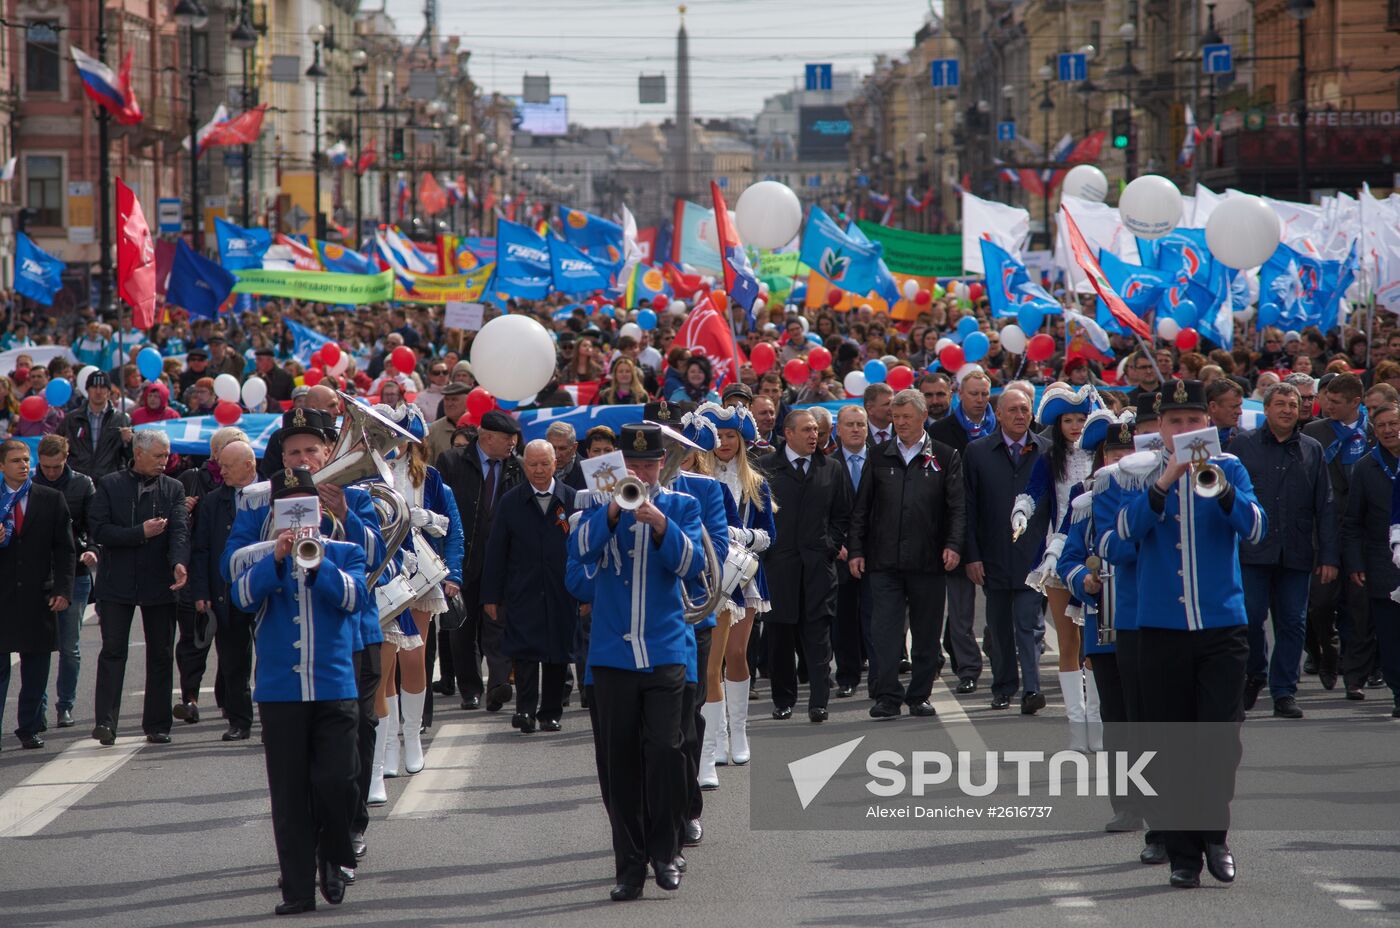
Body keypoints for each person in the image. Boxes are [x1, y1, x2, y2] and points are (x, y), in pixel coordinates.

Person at [1115, 379, 1265, 889]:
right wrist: (1163, 484)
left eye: (1193, 421)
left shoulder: (1231, 468)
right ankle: (1182, 852)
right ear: (1159, 428)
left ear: (1209, 424)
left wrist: (1222, 492)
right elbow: (1119, 541)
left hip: (1221, 625)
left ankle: (1214, 837)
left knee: (1219, 741)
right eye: (1174, 422)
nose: (1184, 430)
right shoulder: (1136, 475)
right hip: (1160, 628)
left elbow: (1257, 528)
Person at [222, 406, 386, 866]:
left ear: (328, 450)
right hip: (288, 641)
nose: (302, 458)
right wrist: (274, 542)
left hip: (353, 632)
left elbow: (378, 557)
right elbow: (230, 565)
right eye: (293, 451)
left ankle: (348, 830)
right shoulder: (259, 499)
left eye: (311, 450)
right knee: (296, 761)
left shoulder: (356, 489)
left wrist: (345, 513)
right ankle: (307, 849)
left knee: (351, 746)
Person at [565, 422, 707, 901]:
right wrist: (611, 514)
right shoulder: (593, 509)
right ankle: (629, 867)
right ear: (619, 466)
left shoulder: (680, 506)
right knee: (618, 764)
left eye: (648, 465)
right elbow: (577, 565)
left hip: (665, 650)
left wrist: (661, 525)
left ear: (660, 465)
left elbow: (694, 567)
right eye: (633, 466)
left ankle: (665, 853)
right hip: (610, 656)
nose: (641, 473)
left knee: (668, 754)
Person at [230, 468, 368, 915]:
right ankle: (297, 889)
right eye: (288, 507)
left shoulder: (344, 551)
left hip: (333, 685)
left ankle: (333, 854)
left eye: (305, 506)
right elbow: (242, 599)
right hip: (280, 691)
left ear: (319, 509)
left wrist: (316, 562)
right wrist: (276, 559)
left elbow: (353, 599)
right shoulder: (259, 557)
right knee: (288, 794)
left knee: (336, 780)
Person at [848, 389, 963, 719]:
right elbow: (862, 509)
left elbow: (957, 508)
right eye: (895, 418)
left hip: (928, 561)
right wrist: (857, 549)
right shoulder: (879, 454)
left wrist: (953, 546)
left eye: (906, 418)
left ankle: (919, 695)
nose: (900, 423)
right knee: (884, 632)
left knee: (926, 634)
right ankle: (887, 696)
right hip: (884, 561)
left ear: (923, 416)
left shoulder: (944, 455)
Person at [370, 404, 463, 798]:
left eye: (401, 437)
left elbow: (449, 526)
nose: (396, 444)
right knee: (384, 661)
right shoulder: (370, 472)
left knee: (414, 656)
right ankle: (387, 746)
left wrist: (417, 516)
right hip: (383, 572)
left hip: (419, 571)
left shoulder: (430, 476)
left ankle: (413, 738)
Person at [1229, 382, 1336, 717]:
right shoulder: (1243, 445)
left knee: (1292, 622)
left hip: (1297, 550)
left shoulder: (1311, 448)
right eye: (1281, 404)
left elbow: (1326, 504)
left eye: (1293, 404)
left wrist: (1329, 556)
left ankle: (1284, 692)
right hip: (1253, 550)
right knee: (1250, 618)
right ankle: (1255, 673)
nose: (1288, 409)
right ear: (1266, 408)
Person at [88, 429, 190, 746]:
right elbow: (100, 530)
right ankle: (106, 723)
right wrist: (140, 533)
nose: (165, 461)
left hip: (160, 581)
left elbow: (179, 531)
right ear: (139, 453)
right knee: (113, 652)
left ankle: (158, 724)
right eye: (159, 455)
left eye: (166, 455)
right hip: (116, 582)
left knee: (160, 653)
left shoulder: (173, 487)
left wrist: (178, 562)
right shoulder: (110, 484)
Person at [962, 387, 1051, 712]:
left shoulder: (1047, 450)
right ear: (997, 414)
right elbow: (968, 508)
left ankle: (1032, 689)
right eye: (1011, 409)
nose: (1018, 415)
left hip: (1034, 556)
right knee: (999, 629)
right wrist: (972, 555)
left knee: (1027, 625)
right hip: (994, 555)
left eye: (1024, 410)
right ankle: (1003, 687)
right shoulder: (978, 451)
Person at [759, 408, 850, 723]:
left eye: (816, 430)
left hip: (817, 568)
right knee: (780, 639)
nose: (814, 435)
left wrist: (830, 546)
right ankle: (783, 700)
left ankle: (819, 702)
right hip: (779, 567)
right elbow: (757, 513)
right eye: (808, 430)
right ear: (788, 433)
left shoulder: (832, 468)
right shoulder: (766, 467)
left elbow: (842, 514)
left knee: (818, 638)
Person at [1017, 386, 1095, 747]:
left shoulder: (1105, 456)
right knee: (1068, 641)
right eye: (1069, 420)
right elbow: (1034, 493)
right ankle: (1077, 725)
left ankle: (1096, 720)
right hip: (1059, 553)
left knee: (1096, 643)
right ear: (1058, 424)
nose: (1076, 425)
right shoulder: (1049, 459)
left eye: (1081, 418)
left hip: (1099, 553)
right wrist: (1020, 512)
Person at [482, 439, 578, 733]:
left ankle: (550, 712)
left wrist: (586, 592)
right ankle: (524, 711)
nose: (538, 470)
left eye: (544, 464)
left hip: (562, 590)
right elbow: (496, 551)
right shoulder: (511, 502)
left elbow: (583, 548)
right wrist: (491, 596)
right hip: (522, 589)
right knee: (524, 653)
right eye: (532, 464)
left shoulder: (571, 499)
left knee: (557, 653)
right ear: (525, 466)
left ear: (555, 464)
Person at [700, 403, 773, 764]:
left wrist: (736, 535)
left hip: (743, 576)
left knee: (738, 653)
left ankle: (740, 729)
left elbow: (769, 535)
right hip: (706, 575)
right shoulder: (698, 479)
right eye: (718, 436)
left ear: (743, 441)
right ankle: (717, 734)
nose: (724, 442)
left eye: (731, 436)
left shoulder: (755, 484)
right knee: (712, 660)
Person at [438, 409, 522, 711]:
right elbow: (440, 512)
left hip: (500, 562)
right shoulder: (451, 462)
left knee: (497, 622)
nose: (513, 444)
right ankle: (470, 688)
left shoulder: (516, 467)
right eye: (507, 439)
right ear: (487, 437)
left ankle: (498, 685)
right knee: (462, 628)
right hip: (462, 559)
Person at [1302, 372, 1376, 699]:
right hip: (1323, 531)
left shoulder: (1372, 435)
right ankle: (1325, 652)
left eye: (1335, 402)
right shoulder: (1313, 432)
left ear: (1355, 403)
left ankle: (1354, 677)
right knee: (1319, 604)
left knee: (1358, 608)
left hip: (1359, 533)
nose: (1326, 406)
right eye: (1326, 399)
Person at [0, 439, 75, 749]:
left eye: (26, 459)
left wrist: (63, 589)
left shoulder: (50, 498)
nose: (23, 465)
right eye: (16, 460)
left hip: (38, 596)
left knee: (36, 667)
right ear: (2, 466)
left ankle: (29, 727)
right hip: (2, 597)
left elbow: (65, 549)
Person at [929, 369, 996, 692]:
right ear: (960, 394)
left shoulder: (1000, 429)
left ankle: (997, 655)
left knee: (1000, 607)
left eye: (984, 394)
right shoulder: (941, 431)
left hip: (995, 531)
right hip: (955, 528)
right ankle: (968, 668)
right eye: (974, 394)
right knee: (960, 610)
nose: (980, 401)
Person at [188, 439, 259, 742]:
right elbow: (201, 549)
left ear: (249, 465)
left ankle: (275, 719)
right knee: (232, 662)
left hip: (267, 590)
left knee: (271, 660)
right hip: (227, 592)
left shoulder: (272, 494)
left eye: (227, 467)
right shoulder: (214, 501)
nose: (221, 473)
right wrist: (201, 591)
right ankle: (239, 720)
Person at [33, 434, 96, 730]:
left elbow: (96, 524)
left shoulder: (82, 484)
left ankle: (65, 705)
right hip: (36, 575)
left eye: (56, 467)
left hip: (74, 574)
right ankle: (38, 707)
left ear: (66, 459)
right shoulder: (28, 484)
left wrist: (93, 550)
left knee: (69, 647)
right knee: (37, 647)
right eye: (46, 467)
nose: (51, 472)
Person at [1343, 402, 1400, 717]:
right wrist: (1355, 563)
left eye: (1394, 423)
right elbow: (1352, 522)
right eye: (1382, 426)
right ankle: (1398, 693)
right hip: (1383, 564)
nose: (1389, 430)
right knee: (1390, 637)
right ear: (1374, 431)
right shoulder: (1366, 467)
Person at [830, 405, 873, 697]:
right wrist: (837, 545)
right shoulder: (828, 464)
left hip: (877, 553)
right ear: (838, 430)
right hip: (841, 553)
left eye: (861, 424)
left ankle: (880, 677)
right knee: (843, 618)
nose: (856, 429)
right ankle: (847, 675)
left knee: (877, 617)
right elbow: (822, 511)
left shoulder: (883, 460)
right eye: (850, 424)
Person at [61, 371, 133, 481]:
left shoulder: (122, 419)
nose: (98, 391)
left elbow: (131, 458)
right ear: (87, 390)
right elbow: (59, 450)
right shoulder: (71, 419)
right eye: (94, 387)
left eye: (103, 387)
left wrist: (129, 442)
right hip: (78, 481)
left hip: (109, 482)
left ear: (109, 391)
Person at [426, 382, 470, 465]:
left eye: (454, 399)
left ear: (467, 402)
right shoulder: (434, 430)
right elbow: (427, 465)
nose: (449, 404)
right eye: (446, 399)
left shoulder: (477, 427)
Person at [545, 421, 587, 490]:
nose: (556, 455)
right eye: (552, 448)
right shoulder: (539, 470)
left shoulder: (588, 472)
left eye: (562, 449)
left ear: (574, 447)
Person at [1206, 379, 1244, 446]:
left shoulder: (1245, 439)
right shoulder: (1196, 438)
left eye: (1240, 406)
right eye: (1234, 407)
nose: (1240, 412)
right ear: (1213, 407)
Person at [863, 382, 894, 446]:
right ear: (870, 409)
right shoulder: (856, 433)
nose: (892, 407)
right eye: (887, 404)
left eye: (893, 403)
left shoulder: (905, 430)